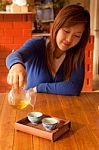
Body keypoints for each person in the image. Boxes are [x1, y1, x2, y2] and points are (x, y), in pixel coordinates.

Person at [6, 4, 90, 96]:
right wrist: (16, 65)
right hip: (32, 107)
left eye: (77, 35)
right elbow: (14, 56)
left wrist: (39, 88)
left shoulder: (77, 54)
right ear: (57, 26)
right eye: (66, 31)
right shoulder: (37, 45)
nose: (69, 39)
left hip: (60, 107)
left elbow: (74, 88)